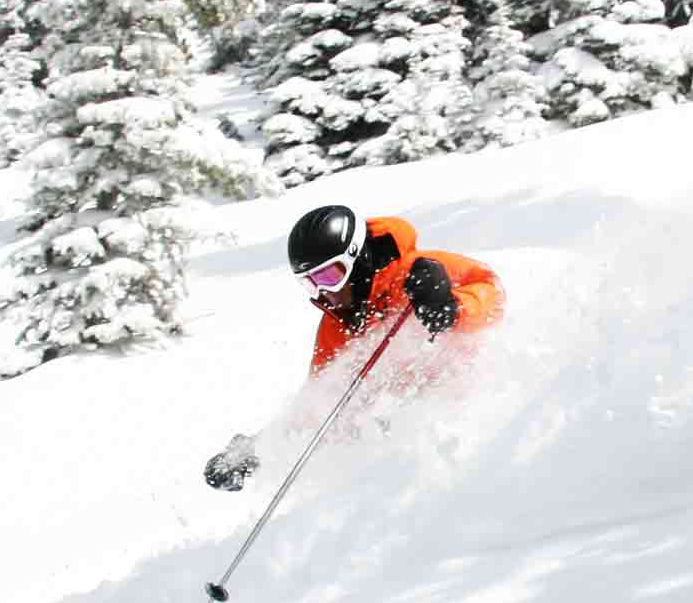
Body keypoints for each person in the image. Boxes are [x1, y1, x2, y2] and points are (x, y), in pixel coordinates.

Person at [203, 205, 505, 490]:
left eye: (328, 276)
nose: (324, 292)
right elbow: (321, 403)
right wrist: (257, 450)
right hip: (412, 428)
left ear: (356, 257)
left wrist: (453, 307)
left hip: (476, 406)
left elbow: (492, 292)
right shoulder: (337, 327)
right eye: (310, 283)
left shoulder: (418, 271)